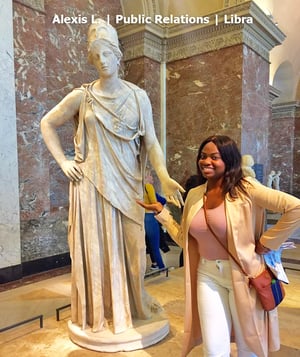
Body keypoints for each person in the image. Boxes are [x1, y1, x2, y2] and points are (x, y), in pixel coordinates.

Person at [40, 18, 183, 335]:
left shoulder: (138, 97)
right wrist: (63, 160)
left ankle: (130, 304)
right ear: (91, 60)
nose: (102, 61)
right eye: (96, 56)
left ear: (119, 56)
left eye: (107, 54)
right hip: (90, 183)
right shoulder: (83, 96)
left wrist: (162, 175)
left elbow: (152, 142)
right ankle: (102, 312)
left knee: (133, 250)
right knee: (97, 250)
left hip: (128, 184)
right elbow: (47, 123)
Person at [137, 135, 300, 357]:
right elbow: (185, 238)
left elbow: (295, 208)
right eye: (203, 156)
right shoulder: (195, 195)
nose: (206, 162)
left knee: (247, 346)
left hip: (243, 276)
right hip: (207, 275)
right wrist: (161, 214)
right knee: (213, 349)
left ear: (229, 160)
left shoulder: (247, 189)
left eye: (214, 157)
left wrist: (266, 243)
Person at [144, 171, 166, 271]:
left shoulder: (137, 187)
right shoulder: (148, 186)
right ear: (146, 176)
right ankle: (162, 268)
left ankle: (155, 264)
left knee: (149, 243)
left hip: (142, 217)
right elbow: (154, 202)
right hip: (150, 216)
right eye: (150, 175)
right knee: (155, 245)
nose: (151, 177)